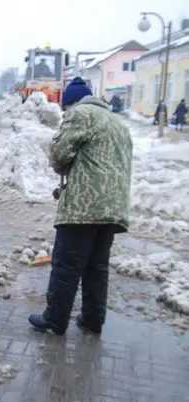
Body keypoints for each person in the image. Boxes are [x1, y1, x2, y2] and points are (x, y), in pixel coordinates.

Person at [28, 77, 133, 336]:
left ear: (72, 102)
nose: (65, 113)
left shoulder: (80, 114)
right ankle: (93, 318)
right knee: (97, 266)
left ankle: (55, 319)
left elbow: (60, 153)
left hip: (85, 205)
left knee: (66, 263)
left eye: (65, 108)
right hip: (113, 206)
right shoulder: (117, 123)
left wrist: (60, 165)